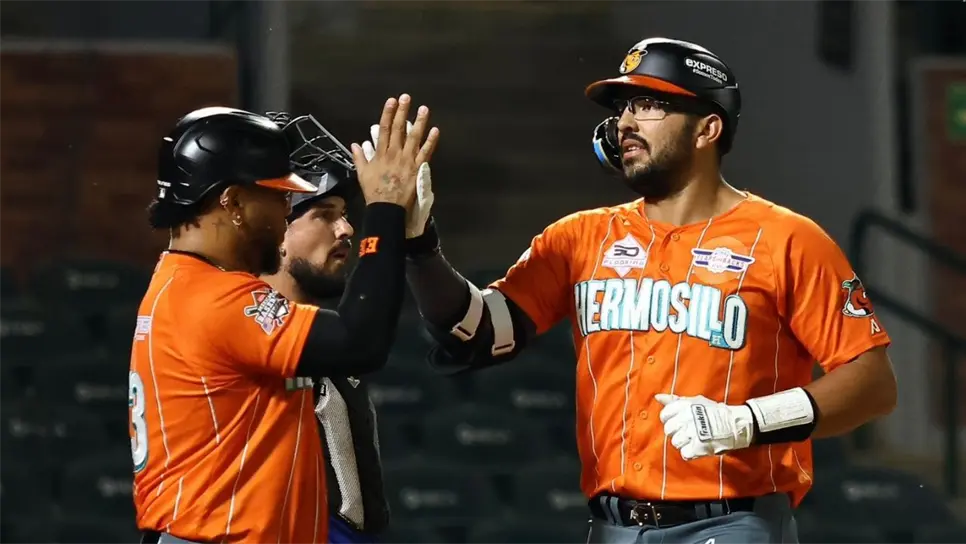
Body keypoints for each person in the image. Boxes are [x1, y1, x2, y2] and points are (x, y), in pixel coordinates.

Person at [401, 38, 898, 544]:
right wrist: (420, 246)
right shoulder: (579, 238)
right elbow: (478, 333)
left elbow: (873, 384)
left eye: (650, 105)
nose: (626, 122)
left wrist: (750, 420)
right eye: (623, 107)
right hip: (612, 528)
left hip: (734, 523)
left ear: (708, 128)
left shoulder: (788, 239)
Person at [130, 98, 438, 544]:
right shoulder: (211, 299)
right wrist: (385, 209)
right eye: (276, 196)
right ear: (232, 201)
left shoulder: (181, 284)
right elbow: (360, 341)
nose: (282, 210)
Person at [259, 111, 433, 544]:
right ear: (272, 230)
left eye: (345, 213)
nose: (346, 228)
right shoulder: (245, 322)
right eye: (323, 214)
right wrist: (386, 213)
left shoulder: (316, 327)